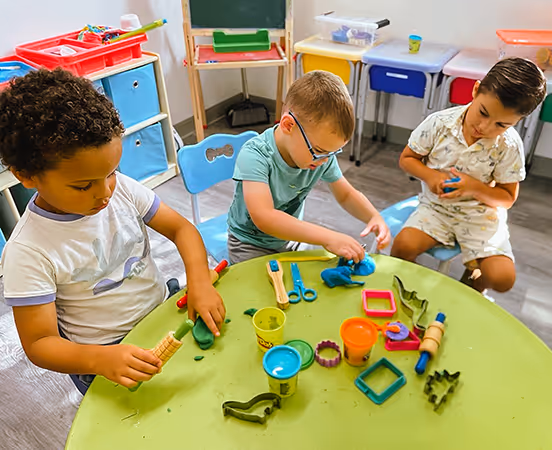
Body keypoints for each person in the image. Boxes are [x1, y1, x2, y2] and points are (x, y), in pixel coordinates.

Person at [0, 68, 225, 394]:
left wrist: (201, 282)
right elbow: (40, 343)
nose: (104, 192)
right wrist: (99, 360)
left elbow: (181, 229)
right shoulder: (28, 251)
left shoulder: (121, 190)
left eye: (111, 173)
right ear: (28, 176)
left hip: (162, 313)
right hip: (103, 356)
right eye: (82, 186)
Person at [391, 57, 546, 293]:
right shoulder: (439, 124)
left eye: (501, 124)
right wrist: (431, 177)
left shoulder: (509, 145)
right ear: (475, 90)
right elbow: (407, 159)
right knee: (402, 247)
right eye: (483, 113)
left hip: (480, 216)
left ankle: (471, 284)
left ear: (518, 121)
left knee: (502, 279)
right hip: (436, 209)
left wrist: (474, 187)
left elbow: (507, 198)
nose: (485, 127)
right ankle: (410, 294)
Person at [227, 70, 390, 264]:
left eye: (332, 153)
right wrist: (328, 237)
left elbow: (346, 194)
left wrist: (373, 216)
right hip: (249, 244)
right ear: (288, 125)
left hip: (292, 239)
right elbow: (265, 217)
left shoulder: (320, 155)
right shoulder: (255, 155)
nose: (324, 160)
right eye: (320, 150)